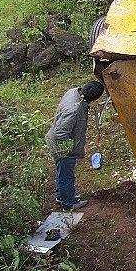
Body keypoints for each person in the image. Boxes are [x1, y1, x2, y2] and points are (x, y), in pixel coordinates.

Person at [45, 80, 104, 210]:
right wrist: (66, 151)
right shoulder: (74, 110)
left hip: (56, 139)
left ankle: (62, 196)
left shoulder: (73, 92)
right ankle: (69, 203)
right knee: (67, 173)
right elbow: (60, 133)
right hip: (61, 144)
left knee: (62, 171)